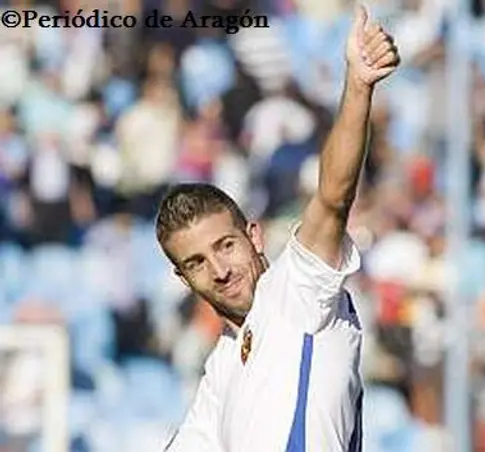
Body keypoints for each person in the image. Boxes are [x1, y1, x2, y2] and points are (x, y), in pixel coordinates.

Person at [158, 5, 400, 451]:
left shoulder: (297, 291)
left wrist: (358, 87)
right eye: (196, 262)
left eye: (225, 245)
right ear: (184, 279)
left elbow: (332, 198)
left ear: (253, 235)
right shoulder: (221, 370)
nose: (219, 269)